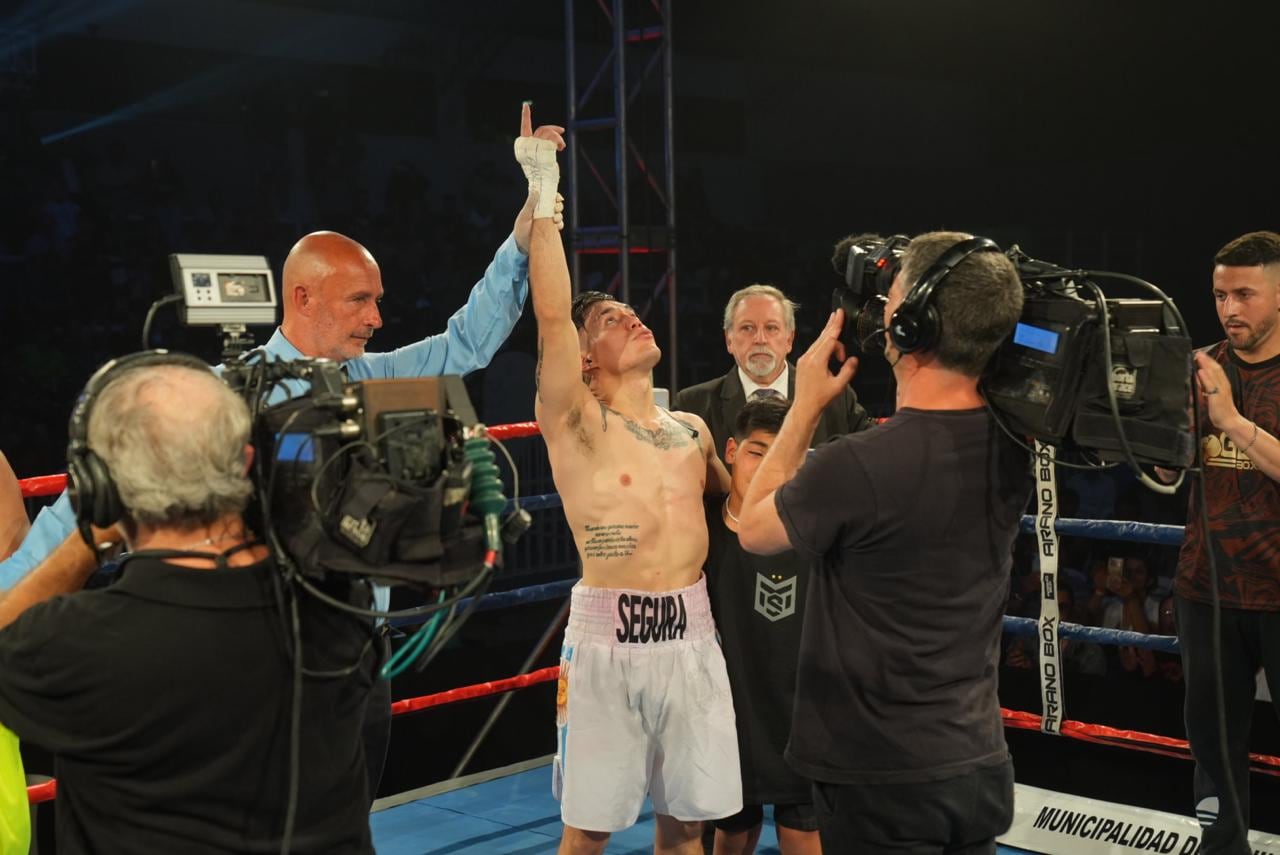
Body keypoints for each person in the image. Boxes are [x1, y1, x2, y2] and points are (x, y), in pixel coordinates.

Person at [0, 105, 567, 798]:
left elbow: (466, 344)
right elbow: (92, 506)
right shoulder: (214, 398)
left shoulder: (374, 377)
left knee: (351, 820)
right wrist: (9, 597)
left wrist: (526, 225)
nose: (377, 318)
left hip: (360, 657)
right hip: (260, 668)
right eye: (361, 300)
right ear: (303, 297)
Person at [0, 357, 376, 853]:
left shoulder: (74, 641)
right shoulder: (339, 602)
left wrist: (86, 541)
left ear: (105, 486)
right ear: (244, 465)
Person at [737, 231, 1031, 853]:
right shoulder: (1014, 446)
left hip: (881, 777)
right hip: (975, 760)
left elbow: (755, 531)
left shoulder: (857, 466)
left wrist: (805, 405)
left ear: (912, 326)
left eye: (892, 296)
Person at [518, 113, 740, 854]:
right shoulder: (579, 423)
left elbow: (747, 510)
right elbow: (553, 315)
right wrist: (543, 184)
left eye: (630, 310)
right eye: (612, 320)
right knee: (588, 832)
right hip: (609, 638)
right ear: (584, 360)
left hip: (692, 633)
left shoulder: (693, 431)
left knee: (687, 827)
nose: (634, 318)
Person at [1165, 230, 1280, 854]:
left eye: (1245, 294)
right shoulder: (1200, 367)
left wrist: (1233, 421)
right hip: (1206, 589)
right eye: (1219, 295)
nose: (1230, 309)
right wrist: (1156, 453)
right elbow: (1169, 465)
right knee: (1211, 746)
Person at [705, 396, 820, 855]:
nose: (768, 467)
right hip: (726, 711)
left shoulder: (815, 530)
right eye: (757, 453)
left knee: (802, 827)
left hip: (799, 708)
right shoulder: (698, 525)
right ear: (731, 450)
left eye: (782, 456)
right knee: (733, 829)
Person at [673, 284, 869, 462]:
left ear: (789, 339)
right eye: (747, 328)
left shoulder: (835, 398)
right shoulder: (692, 405)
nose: (760, 339)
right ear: (729, 340)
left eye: (771, 328)